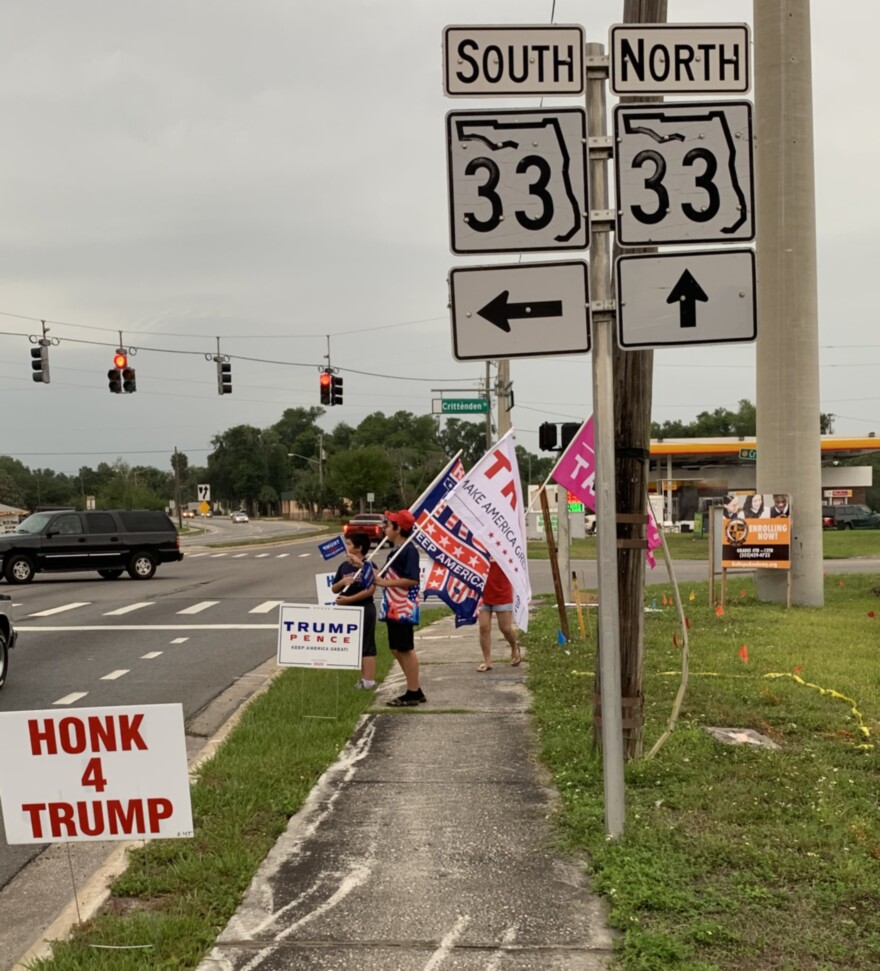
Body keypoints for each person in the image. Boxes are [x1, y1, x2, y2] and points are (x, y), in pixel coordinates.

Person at [375, 509, 425, 707]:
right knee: (395, 648)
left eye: (389, 524)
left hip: (403, 606)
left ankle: (412, 692)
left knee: (406, 648)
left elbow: (412, 580)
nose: (385, 527)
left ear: (398, 529)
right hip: (392, 606)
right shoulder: (395, 551)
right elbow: (388, 576)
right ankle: (415, 687)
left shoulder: (409, 551)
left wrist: (385, 583)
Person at [331, 532, 377, 690]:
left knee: (367, 645)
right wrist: (342, 582)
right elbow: (334, 588)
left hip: (365, 608)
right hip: (348, 612)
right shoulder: (344, 566)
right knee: (356, 646)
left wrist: (349, 600)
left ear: (359, 548)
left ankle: (369, 681)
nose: (346, 547)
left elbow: (370, 589)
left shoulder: (369, 566)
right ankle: (362, 679)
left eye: (349, 544)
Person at [477, 560, 522, 672]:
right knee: (484, 627)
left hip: (502, 592)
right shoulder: (480, 545)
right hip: (482, 592)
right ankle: (487, 661)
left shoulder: (503, 545)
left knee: (505, 628)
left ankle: (514, 647)